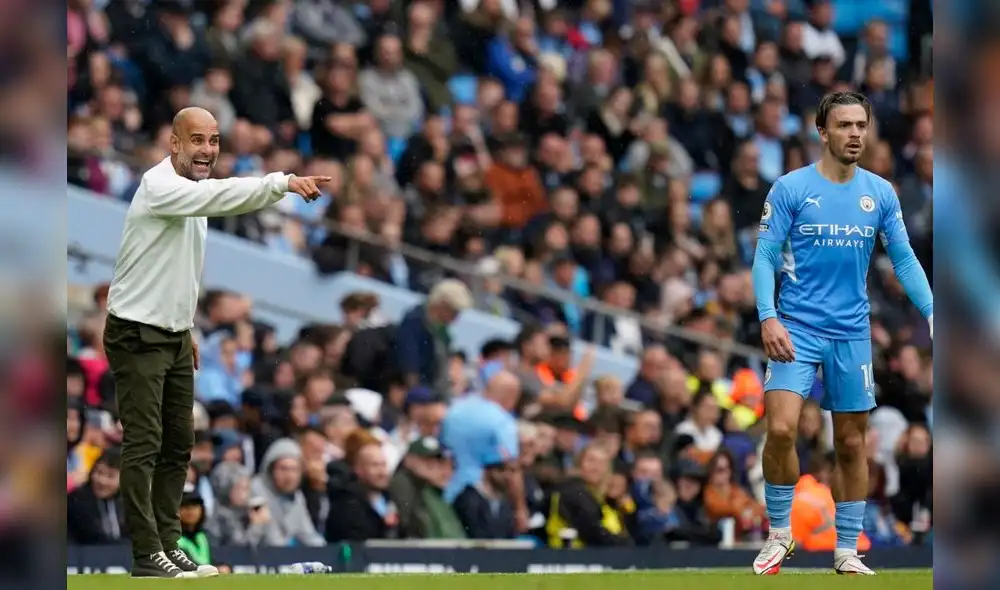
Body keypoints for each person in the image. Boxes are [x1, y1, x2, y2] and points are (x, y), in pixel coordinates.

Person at [101, 106, 332, 579]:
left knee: (180, 443)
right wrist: (282, 182)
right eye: (197, 140)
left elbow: (176, 270)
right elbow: (221, 197)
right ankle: (147, 555)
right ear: (174, 144)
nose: (207, 150)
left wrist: (186, 326)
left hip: (172, 332)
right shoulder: (159, 186)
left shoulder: (192, 195)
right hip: (136, 333)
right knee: (145, 444)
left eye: (213, 140)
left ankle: (169, 545)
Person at [750, 91, 933, 576]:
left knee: (852, 444)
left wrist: (934, 312)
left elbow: (904, 259)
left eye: (861, 125)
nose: (855, 134)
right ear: (822, 131)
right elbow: (765, 256)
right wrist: (768, 316)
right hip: (796, 327)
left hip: (851, 332)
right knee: (783, 428)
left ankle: (847, 549)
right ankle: (779, 533)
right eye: (845, 125)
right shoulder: (790, 188)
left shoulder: (881, 193)